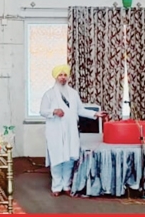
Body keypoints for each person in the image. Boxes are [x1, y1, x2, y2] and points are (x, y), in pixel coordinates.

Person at [39, 64, 106, 196]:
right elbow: (42, 111)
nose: (63, 78)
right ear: (56, 77)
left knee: (69, 158)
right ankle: (56, 187)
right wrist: (54, 111)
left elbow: (80, 110)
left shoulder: (73, 94)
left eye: (65, 75)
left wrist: (95, 114)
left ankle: (66, 185)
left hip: (71, 130)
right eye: (60, 75)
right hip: (56, 130)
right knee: (57, 158)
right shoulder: (49, 94)